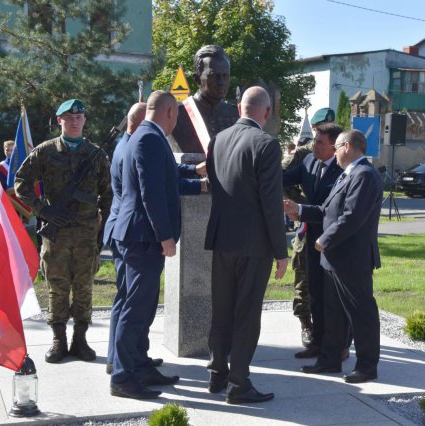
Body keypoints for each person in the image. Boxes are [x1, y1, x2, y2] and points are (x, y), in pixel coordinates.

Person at [104, 102, 207, 377]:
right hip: (142, 237)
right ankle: (124, 375)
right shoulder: (149, 137)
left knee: (143, 305)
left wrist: (196, 172)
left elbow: (165, 174)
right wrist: (166, 237)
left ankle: (138, 363)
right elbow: (152, 193)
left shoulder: (146, 136)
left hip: (140, 236)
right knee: (135, 308)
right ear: (170, 112)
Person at [205, 86, 288, 404]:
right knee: (247, 314)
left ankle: (216, 374)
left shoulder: (218, 140)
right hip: (254, 244)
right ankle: (238, 383)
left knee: (222, 310)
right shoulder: (267, 144)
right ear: (266, 113)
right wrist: (281, 251)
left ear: (240, 107)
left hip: (222, 239)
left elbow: (216, 184)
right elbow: (271, 203)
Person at [15, 99, 112, 364]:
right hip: (55, 233)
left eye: (79, 117)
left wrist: (100, 227)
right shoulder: (45, 152)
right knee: (57, 287)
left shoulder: (95, 153)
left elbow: (107, 193)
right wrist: (42, 211)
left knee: (84, 287)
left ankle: (80, 339)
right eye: (68, 117)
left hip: (85, 233)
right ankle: (58, 339)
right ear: (59, 121)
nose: (74, 121)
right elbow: (21, 182)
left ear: (84, 121)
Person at [284, 129, 382, 384]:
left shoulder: (365, 175)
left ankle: (366, 366)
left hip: (352, 258)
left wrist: (323, 240)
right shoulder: (348, 174)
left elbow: (352, 217)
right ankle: (329, 360)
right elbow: (328, 210)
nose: (335, 152)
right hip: (334, 258)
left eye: (337, 147)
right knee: (333, 313)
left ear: (347, 147)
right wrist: (301, 210)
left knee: (361, 314)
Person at [283, 123, 346, 365]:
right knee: (315, 293)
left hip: (333, 239)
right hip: (310, 237)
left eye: (320, 142)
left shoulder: (343, 170)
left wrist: (300, 210)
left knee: (335, 296)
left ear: (335, 145)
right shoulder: (309, 161)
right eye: (314, 140)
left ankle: (339, 345)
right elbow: (285, 177)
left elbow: (333, 210)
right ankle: (319, 343)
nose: (314, 146)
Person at [169, 45, 239, 153]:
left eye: (225, 76)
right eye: (214, 76)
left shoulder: (236, 115)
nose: (221, 82)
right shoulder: (178, 114)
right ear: (197, 78)